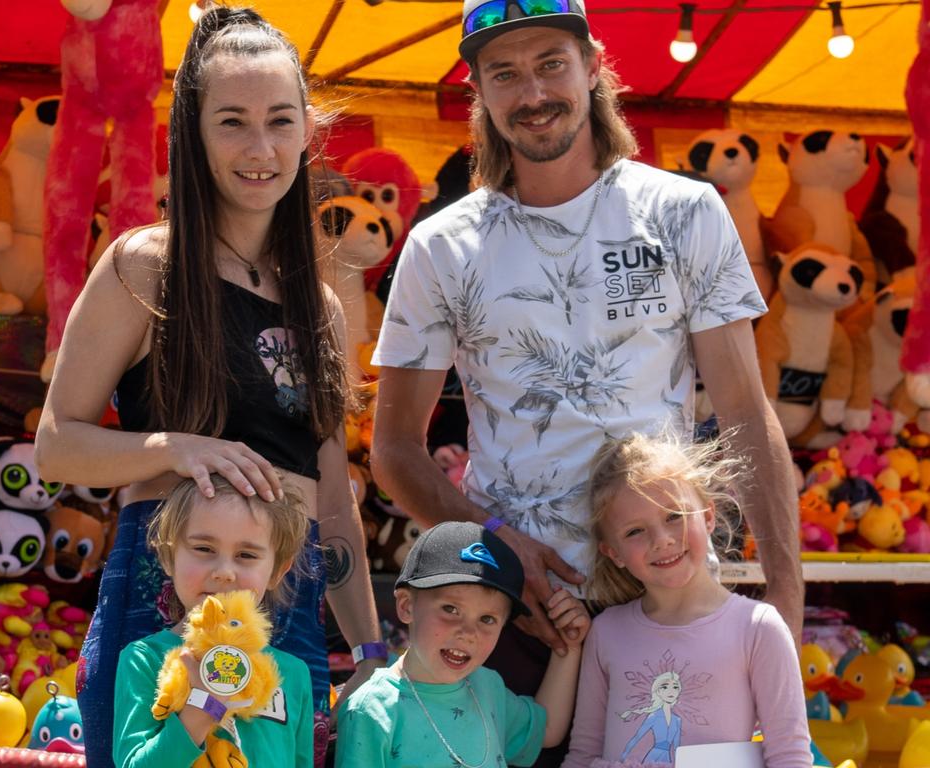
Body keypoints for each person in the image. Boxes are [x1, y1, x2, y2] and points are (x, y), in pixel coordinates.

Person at [369, 2, 803, 762]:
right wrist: (504, 549)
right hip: (517, 621)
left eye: (550, 65)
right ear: (479, 91)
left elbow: (744, 411)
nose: (531, 92)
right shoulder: (442, 246)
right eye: (504, 74)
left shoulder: (683, 212)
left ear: (594, 65)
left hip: (667, 607)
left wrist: (786, 604)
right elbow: (395, 451)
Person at [34, 8, 381, 767]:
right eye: (232, 122)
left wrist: (372, 645)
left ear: (305, 135)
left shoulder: (318, 303)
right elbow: (55, 445)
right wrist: (178, 447)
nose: (260, 149)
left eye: (279, 122)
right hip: (168, 589)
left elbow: (331, 498)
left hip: (289, 607)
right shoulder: (144, 266)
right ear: (192, 131)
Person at [561, 433, 811, 767]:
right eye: (635, 531)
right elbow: (583, 754)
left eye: (674, 516)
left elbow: (790, 756)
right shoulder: (605, 631)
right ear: (613, 552)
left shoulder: (758, 628)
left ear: (708, 516)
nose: (662, 540)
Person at [336, 521, 589, 768]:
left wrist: (568, 647)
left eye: (487, 619)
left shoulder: (487, 686)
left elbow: (545, 731)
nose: (469, 633)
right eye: (451, 609)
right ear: (406, 606)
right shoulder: (371, 709)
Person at [113, 475, 313, 768]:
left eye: (246, 555)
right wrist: (200, 711)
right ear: (168, 556)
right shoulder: (143, 659)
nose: (224, 572)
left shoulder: (292, 674)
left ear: (277, 571)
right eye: (204, 549)